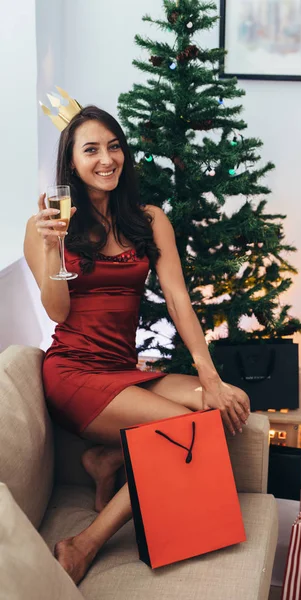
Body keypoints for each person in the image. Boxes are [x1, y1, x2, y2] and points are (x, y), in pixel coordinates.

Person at [23, 104, 250, 584]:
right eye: (91, 150)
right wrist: (50, 249)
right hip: (73, 372)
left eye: (113, 145)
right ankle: (83, 542)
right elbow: (57, 312)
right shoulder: (45, 225)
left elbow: (178, 298)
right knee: (189, 430)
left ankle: (108, 459)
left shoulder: (148, 220)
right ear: (72, 163)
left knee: (232, 402)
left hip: (124, 368)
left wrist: (211, 378)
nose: (106, 158)